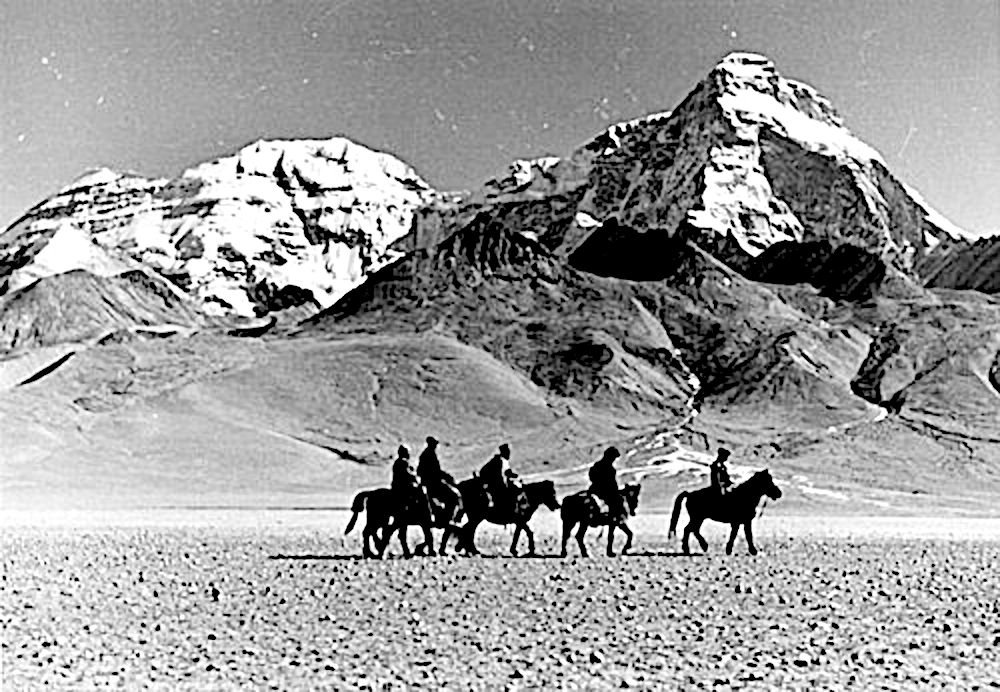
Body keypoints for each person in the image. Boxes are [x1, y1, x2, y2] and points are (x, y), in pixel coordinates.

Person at [417, 436, 461, 521]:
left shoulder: (428, 454)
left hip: (433, 482)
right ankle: (447, 518)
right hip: (433, 484)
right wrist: (444, 476)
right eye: (434, 444)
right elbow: (432, 471)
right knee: (453, 496)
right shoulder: (428, 454)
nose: (435, 446)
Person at [391, 445, 432, 521]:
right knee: (422, 492)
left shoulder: (399, 462)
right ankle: (426, 514)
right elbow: (408, 475)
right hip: (403, 487)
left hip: (399, 486)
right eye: (407, 452)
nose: (409, 454)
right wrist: (415, 476)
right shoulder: (403, 462)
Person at [588, 446, 625, 519]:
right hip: (603, 492)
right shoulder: (610, 469)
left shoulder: (597, 465)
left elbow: (591, 477)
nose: (614, 460)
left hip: (594, 489)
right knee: (617, 502)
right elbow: (612, 483)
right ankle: (614, 518)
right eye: (613, 457)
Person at [479, 443, 518, 511]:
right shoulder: (498, 461)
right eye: (507, 452)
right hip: (495, 485)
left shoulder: (503, 461)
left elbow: (507, 472)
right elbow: (499, 475)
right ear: (504, 452)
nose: (509, 454)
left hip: (500, 484)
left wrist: (514, 475)